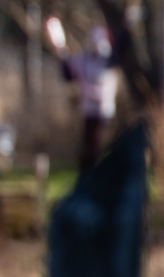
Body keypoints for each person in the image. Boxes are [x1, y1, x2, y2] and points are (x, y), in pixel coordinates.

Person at [44, 16, 118, 173]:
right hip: (88, 110)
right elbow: (68, 73)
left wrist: (127, 26)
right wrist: (59, 46)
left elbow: (121, 50)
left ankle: (97, 175)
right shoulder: (83, 60)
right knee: (88, 147)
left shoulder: (108, 60)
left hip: (104, 111)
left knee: (98, 146)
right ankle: (87, 177)